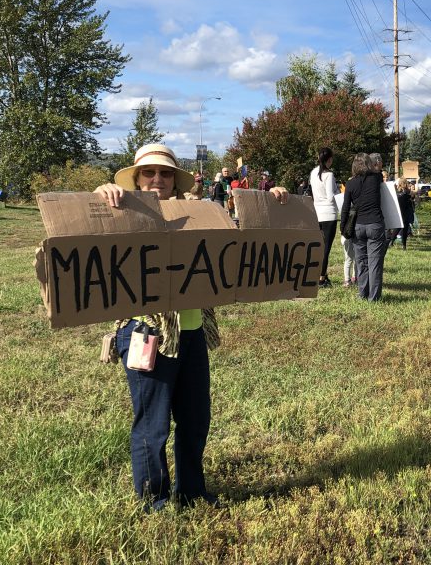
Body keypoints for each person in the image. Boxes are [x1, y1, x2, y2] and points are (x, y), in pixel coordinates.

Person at [94, 143, 289, 512]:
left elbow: (239, 237)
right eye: (149, 173)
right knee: (153, 425)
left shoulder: (197, 213)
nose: (157, 180)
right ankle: (155, 500)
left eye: (165, 173)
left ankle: (192, 492)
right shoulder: (118, 209)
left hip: (192, 331)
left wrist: (272, 201)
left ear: (174, 179)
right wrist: (100, 194)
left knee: (195, 419)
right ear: (136, 178)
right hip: (145, 333)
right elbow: (83, 225)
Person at [340, 153, 386, 301]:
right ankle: (374, 298)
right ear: (370, 164)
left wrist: (343, 228)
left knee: (361, 262)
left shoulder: (350, 184)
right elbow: (379, 171)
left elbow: (345, 208)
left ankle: (362, 293)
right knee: (375, 263)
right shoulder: (376, 178)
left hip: (357, 227)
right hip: (375, 224)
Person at [310, 147, 339, 288]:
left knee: (318, 246)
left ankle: (319, 273)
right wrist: (338, 191)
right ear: (329, 159)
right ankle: (321, 277)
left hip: (317, 212)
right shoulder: (328, 174)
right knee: (326, 248)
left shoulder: (313, 172)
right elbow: (330, 196)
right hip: (329, 213)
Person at [389, 180, 415, 250]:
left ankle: (393, 242)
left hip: (401, 212)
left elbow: (411, 198)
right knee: (403, 228)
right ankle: (402, 245)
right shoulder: (405, 193)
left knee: (400, 227)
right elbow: (410, 198)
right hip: (404, 212)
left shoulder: (399, 192)